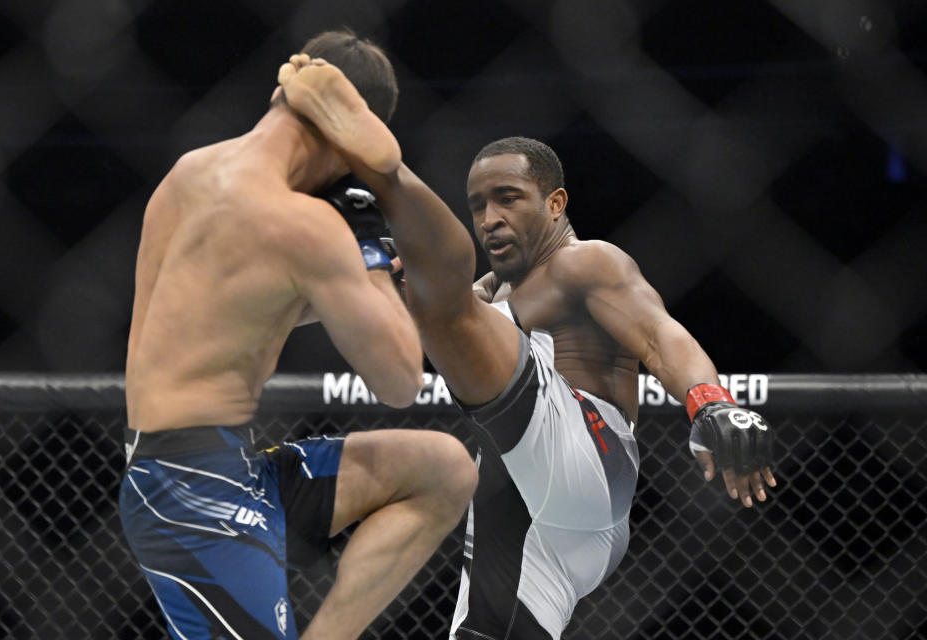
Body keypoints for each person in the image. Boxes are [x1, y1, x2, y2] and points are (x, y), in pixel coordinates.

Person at [278, 57, 777, 640]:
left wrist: (711, 401)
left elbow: (660, 334)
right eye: (478, 205)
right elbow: (408, 339)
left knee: (442, 301)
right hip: (538, 520)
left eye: (508, 198)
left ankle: (385, 170)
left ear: (556, 204)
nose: (489, 219)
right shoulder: (487, 295)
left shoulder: (586, 263)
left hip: (590, 463)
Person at [118, 30, 478, 640]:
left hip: (212, 466)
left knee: (443, 468)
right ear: (349, 147)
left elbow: (235, 310)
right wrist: (363, 237)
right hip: (192, 493)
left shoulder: (192, 171)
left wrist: (358, 284)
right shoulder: (307, 225)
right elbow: (398, 380)